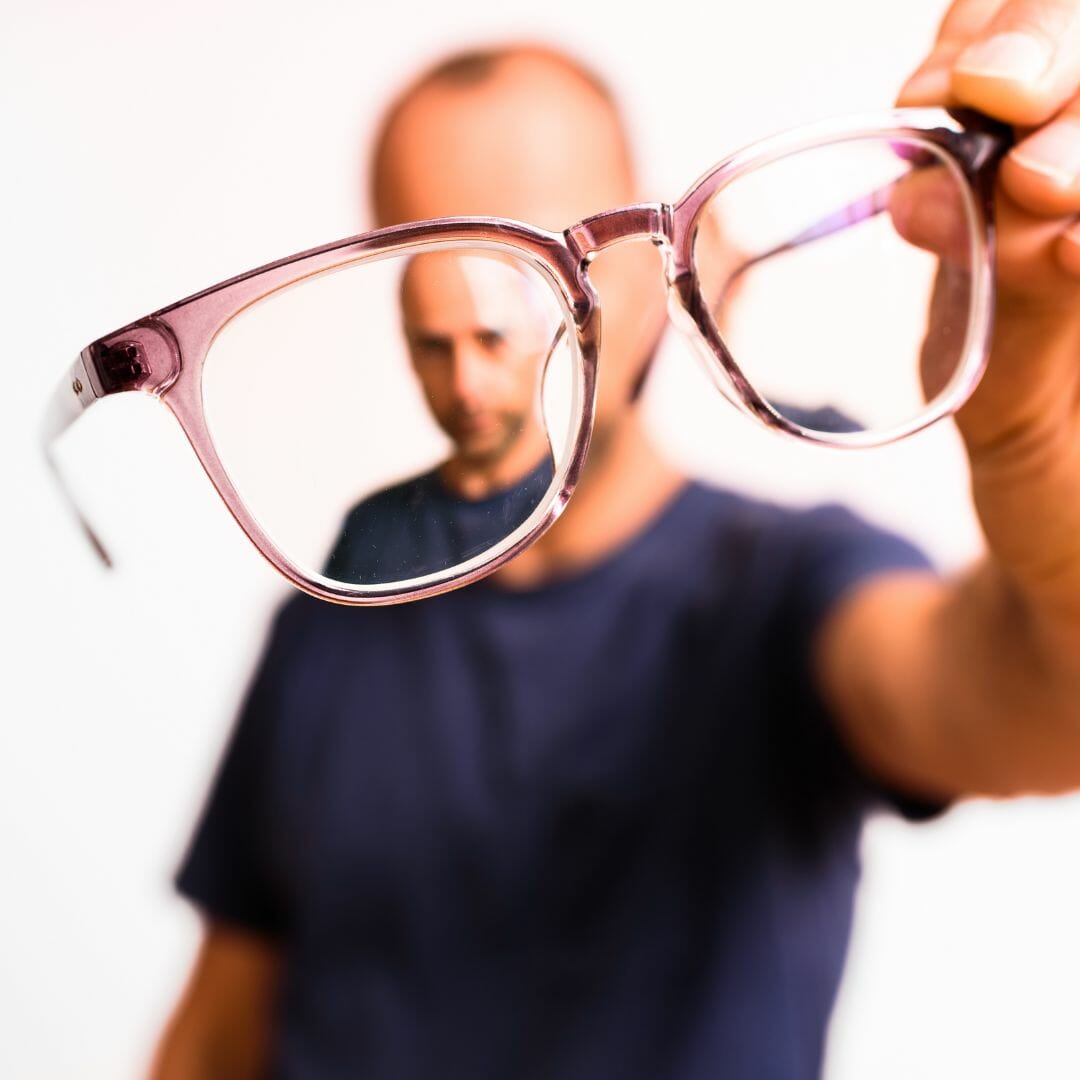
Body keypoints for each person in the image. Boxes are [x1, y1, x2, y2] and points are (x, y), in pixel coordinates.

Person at [150, 6, 1080, 1077]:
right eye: (435, 261)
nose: (485, 335)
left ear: (663, 267)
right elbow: (212, 1038)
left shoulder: (786, 595)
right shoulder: (330, 627)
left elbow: (1034, 694)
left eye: (540, 257)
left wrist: (1030, 457)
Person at [324, 251, 558, 584]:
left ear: (541, 332)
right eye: (435, 348)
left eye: (491, 340)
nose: (465, 386)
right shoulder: (372, 532)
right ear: (410, 354)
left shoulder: (604, 508)